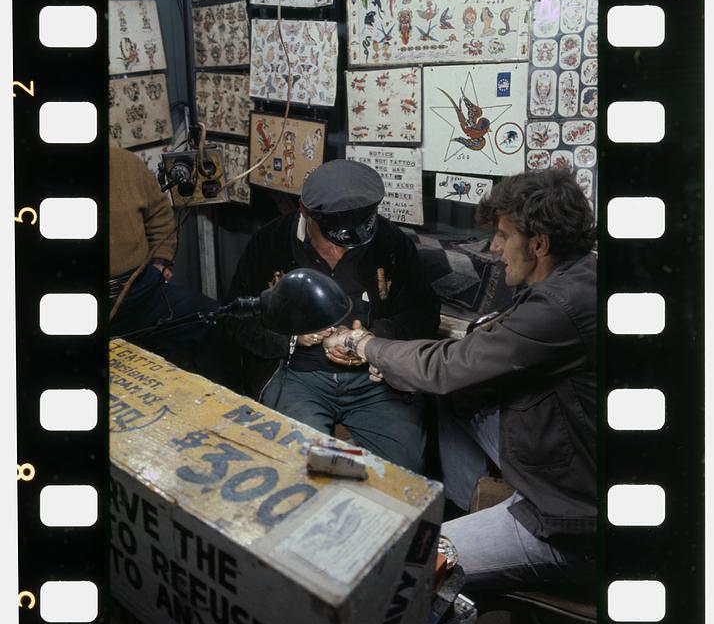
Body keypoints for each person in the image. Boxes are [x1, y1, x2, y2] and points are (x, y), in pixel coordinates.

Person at [324, 168, 596, 590]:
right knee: (452, 396)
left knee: (400, 567)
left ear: (539, 244)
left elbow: (449, 365)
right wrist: (403, 365)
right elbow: (462, 365)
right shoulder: (578, 276)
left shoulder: (562, 305)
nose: (495, 247)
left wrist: (365, 345)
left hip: (568, 519)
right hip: (564, 458)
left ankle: (461, 547)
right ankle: (466, 512)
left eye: (505, 236)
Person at [223, 159, 440, 472]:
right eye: (333, 241)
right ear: (305, 212)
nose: (340, 253)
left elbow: (423, 311)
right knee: (303, 464)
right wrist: (292, 339)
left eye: (352, 244)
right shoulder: (270, 243)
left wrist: (373, 338)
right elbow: (236, 317)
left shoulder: (391, 243)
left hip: (375, 379)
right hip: (297, 376)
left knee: (400, 468)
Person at [110, 146, 224, 382]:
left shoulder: (126, 163)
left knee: (213, 318)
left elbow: (159, 213)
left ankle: (230, 405)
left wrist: (160, 259)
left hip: (140, 290)